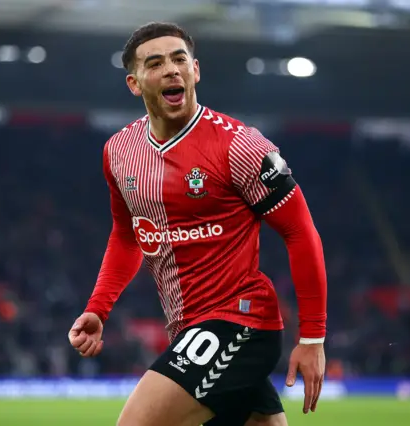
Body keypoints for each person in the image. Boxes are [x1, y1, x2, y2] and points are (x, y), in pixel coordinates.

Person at [68, 22, 328, 426]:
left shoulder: (241, 145)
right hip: (188, 330)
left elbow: (300, 232)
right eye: (156, 63)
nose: (171, 69)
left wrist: (312, 337)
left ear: (196, 71)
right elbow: (127, 236)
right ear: (135, 84)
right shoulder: (119, 151)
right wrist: (98, 308)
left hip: (241, 321)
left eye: (179, 59)